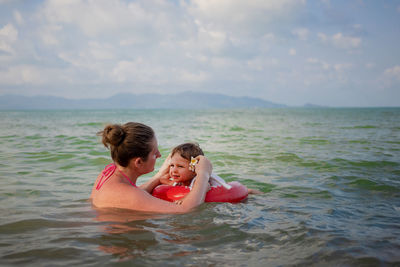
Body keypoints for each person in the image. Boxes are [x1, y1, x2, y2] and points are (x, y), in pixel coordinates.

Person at [90, 122, 212, 213]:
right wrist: (203, 174)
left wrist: (159, 175)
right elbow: (186, 210)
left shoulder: (109, 170)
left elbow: (132, 197)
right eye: (154, 153)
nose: (159, 155)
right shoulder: (130, 195)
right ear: (138, 162)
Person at [160, 142, 262, 194]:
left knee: (247, 192)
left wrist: (186, 197)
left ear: (194, 168)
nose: (174, 170)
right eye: (172, 165)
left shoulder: (197, 180)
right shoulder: (181, 180)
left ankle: (251, 191)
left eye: (180, 166)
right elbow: (163, 180)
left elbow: (206, 187)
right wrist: (163, 177)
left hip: (227, 190)